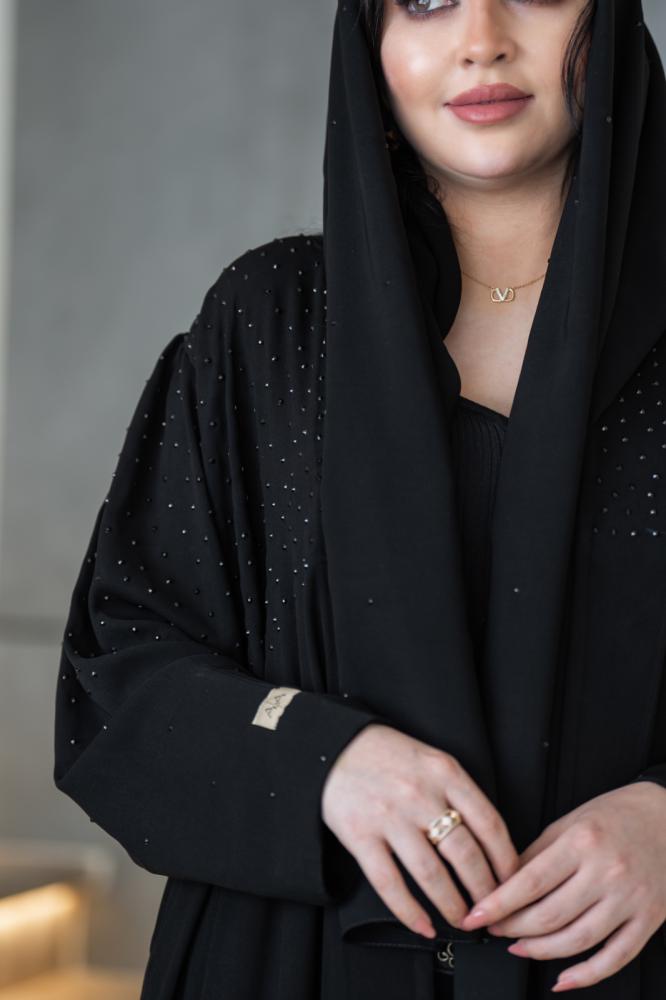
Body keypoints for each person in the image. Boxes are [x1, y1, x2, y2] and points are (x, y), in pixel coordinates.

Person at [53, 0, 666, 997]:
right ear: (369, 44)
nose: (481, 37)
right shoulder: (265, 326)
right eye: (426, 0)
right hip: (287, 963)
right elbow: (119, 673)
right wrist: (323, 761)